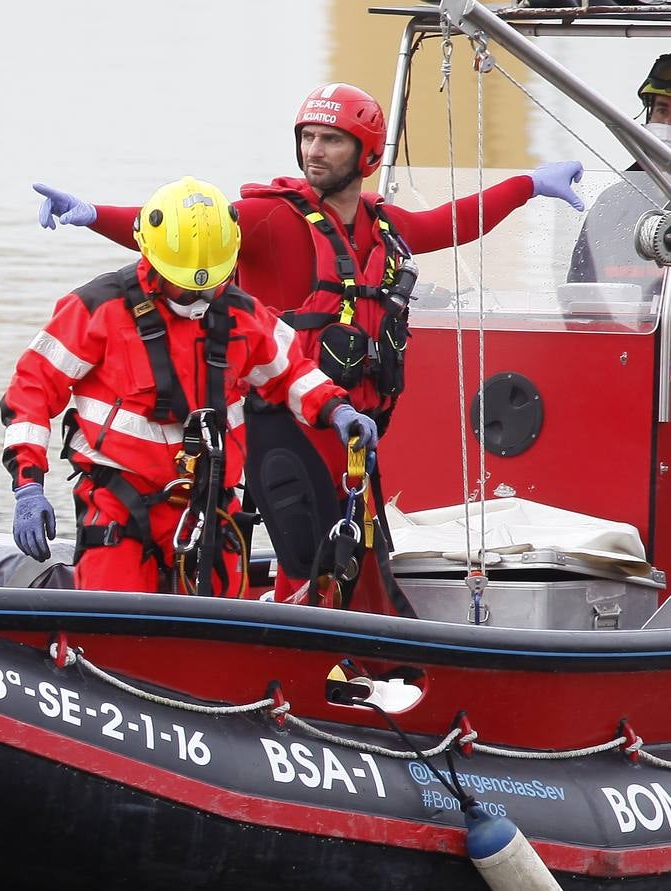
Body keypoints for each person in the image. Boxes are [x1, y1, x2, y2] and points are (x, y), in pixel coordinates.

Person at [32, 83, 585, 603]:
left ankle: (369, 668)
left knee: (361, 563)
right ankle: (292, 667)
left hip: (347, 426)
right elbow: (180, 228)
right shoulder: (270, 218)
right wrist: (91, 215)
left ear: (366, 155)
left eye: (331, 139)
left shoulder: (383, 226)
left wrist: (530, 186)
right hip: (282, 422)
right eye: (307, 137)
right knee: (311, 559)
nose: (314, 151)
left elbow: (452, 223)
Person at [2, 176, 378, 595]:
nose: (197, 298)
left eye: (210, 285)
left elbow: (290, 372)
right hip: (119, 501)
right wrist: (29, 485)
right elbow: (32, 390)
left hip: (211, 505)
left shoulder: (241, 315)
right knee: (113, 619)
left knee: (222, 628)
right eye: (184, 286)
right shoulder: (97, 309)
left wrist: (336, 409)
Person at [566, 55, 671, 299]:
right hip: (626, 334)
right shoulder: (614, 202)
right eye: (661, 110)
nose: (666, 123)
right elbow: (581, 293)